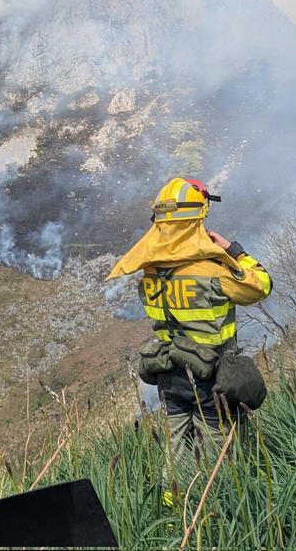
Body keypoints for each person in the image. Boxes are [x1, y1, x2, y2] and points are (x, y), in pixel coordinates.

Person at [107, 178, 272, 457]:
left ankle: (176, 486)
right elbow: (261, 286)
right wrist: (234, 251)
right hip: (211, 377)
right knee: (219, 456)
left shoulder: (149, 270)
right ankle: (218, 487)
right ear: (198, 216)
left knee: (176, 454)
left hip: (169, 376)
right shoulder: (212, 269)